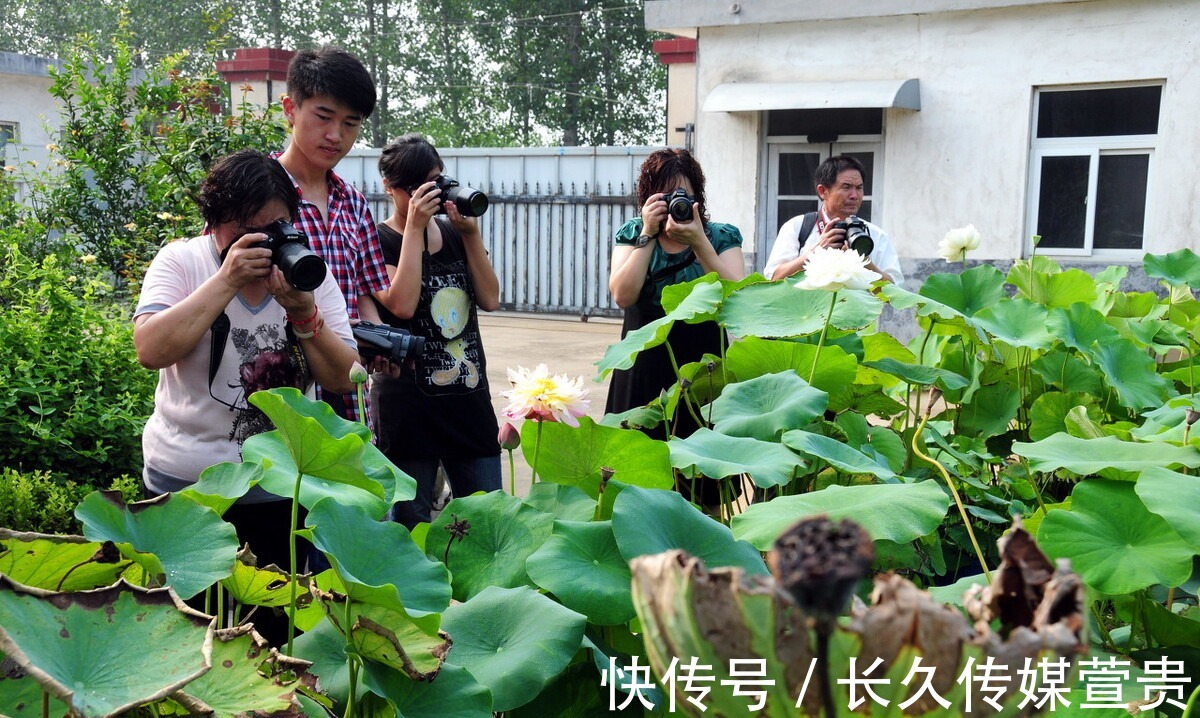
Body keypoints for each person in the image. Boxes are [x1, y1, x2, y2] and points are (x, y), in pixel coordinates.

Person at [133, 149, 358, 640]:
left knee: (278, 637)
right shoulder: (182, 261)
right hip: (187, 484)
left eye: (274, 228)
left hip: (280, 486)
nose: (263, 244)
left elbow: (345, 377)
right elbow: (151, 349)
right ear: (214, 223)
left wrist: (304, 314)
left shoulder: (305, 274)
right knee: (187, 635)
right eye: (246, 232)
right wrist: (227, 278)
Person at [373, 134, 503, 528]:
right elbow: (403, 303)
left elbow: (491, 298)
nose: (427, 193)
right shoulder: (378, 240)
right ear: (389, 188)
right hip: (409, 410)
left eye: (435, 180)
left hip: (468, 403)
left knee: (489, 522)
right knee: (414, 530)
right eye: (415, 186)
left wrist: (470, 233)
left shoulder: (454, 234)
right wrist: (413, 227)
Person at [274, 46, 394, 424]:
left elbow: (363, 294)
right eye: (324, 116)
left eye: (350, 123)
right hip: (281, 397)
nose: (335, 135)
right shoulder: (255, 195)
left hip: (348, 397)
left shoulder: (354, 204)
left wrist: (379, 340)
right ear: (290, 109)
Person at [606, 148, 745, 447]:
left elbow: (739, 298)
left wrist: (698, 241)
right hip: (642, 362)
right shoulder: (633, 233)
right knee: (638, 462)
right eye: (664, 195)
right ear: (648, 197)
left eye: (682, 194)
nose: (673, 203)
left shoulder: (721, 236)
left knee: (699, 468)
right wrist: (648, 233)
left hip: (703, 366)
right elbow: (622, 295)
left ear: (698, 196)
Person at [762, 155, 904, 285]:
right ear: (823, 191)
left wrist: (865, 262)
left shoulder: (875, 235)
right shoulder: (797, 227)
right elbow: (774, 279)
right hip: (807, 312)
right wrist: (816, 251)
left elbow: (893, 291)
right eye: (846, 187)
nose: (854, 195)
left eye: (859, 188)